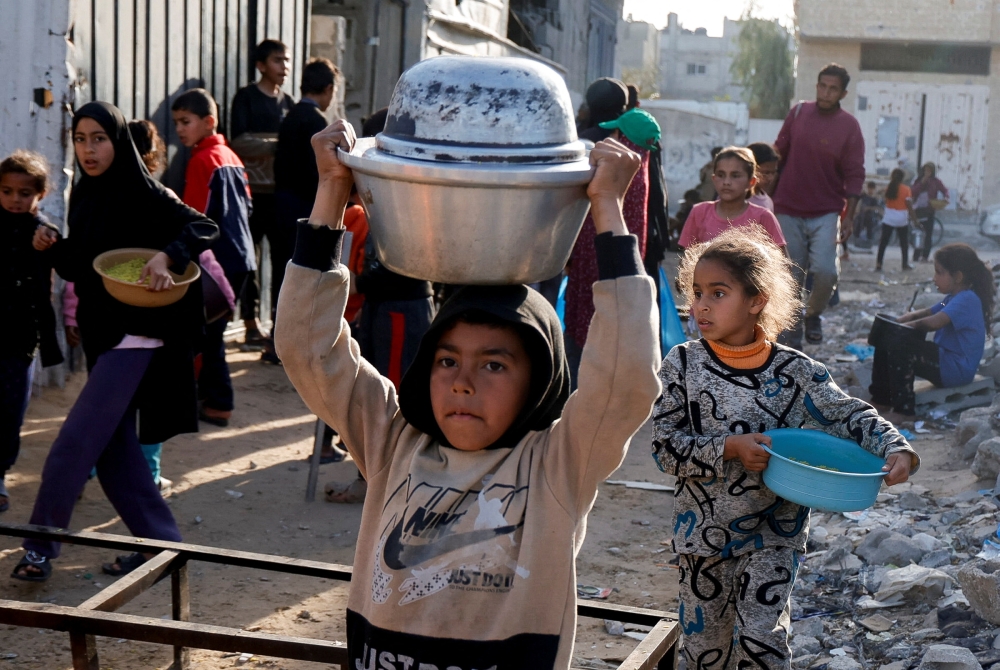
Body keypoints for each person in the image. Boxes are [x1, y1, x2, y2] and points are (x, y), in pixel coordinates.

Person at [275, 118, 660, 670]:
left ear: (539, 382)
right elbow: (305, 346)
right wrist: (332, 192)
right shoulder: (391, 444)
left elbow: (627, 378)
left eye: (495, 364)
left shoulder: (555, 465)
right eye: (448, 360)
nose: (462, 382)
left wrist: (608, 209)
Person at [652, 225, 918, 670]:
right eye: (696, 291)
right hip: (701, 538)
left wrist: (897, 448)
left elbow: (849, 415)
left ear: (757, 301)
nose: (700, 305)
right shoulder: (683, 364)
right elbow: (665, 448)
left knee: (763, 642)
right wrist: (729, 448)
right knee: (703, 649)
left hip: (775, 532)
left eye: (718, 293)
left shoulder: (797, 373)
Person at [11, 102, 218, 582]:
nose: (88, 149)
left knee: (72, 445)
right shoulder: (86, 195)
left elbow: (205, 227)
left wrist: (168, 256)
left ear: (118, 141)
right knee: (114, 455)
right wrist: (54, 246)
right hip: (106, 335)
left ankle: (40, 548)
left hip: (139, 337)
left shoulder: (144, 192)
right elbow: (82, 268)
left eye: (98, 138)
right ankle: (164, 547)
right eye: (80, 139)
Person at [322, 108, 436, 503]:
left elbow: (410, 266)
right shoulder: (386, 194)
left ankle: (383, 481)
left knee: (393, 397)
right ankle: (376, 475)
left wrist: (359, 281)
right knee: (375, 392)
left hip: (401, 310)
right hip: (384, 308)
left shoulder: (409, 193)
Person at [172, 88, 255, 427]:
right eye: (177, 122)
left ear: (208, 122)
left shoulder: (203, 160)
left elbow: (195, 218)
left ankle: (218, 403)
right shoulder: (231, 156)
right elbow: (248, 205)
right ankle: (211, 399)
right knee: (210, 333)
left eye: (185, 122)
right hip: (241, 257)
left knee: (206, 335)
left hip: (217, 262)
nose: (179, 129)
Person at [773, 64, 866, 346]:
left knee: (826, 271)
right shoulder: (798, 113)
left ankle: (813, 313)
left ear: (843, 93)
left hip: (826, 210)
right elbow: (778, 153)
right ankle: (792, 339)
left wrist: (849, 215)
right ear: (816, 86)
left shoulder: (849, 126)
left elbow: (855, 173)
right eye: (822, 86)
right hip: (788, 206)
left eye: (833, 88)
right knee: (792, 274)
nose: (826, 92)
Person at [564, 77, 648, 388]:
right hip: (618, 248)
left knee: (579, 326)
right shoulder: (629, 153)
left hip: (580, 251)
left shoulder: (578, 146)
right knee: (611, 323)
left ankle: (575, 391)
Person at [0, 150, 64, 513]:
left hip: (20, 339)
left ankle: (0, 472)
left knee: (10, 410)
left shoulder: (42, 233)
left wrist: (49, 240)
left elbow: (61, 254)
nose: (14, 199)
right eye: (6, 191)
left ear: (40, 194)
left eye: (24, 193)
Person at [871, 243, 993, 417]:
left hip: (956, 370)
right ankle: (880, 400)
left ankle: (904, 412)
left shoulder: (966, 299)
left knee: (900, 346)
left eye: (939, 272)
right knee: (887, 339)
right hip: (945, 361)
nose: (934, 277)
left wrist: (901, 328)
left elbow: (934, 322)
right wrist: (900, 320)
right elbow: (928, 311)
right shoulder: (951, 298)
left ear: (957, 276)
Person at [272, 57, 340, 362]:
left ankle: (275, 342)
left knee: (281, 274)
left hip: (280, 204)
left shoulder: (290, 116)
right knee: (303, 277)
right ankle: (296, 348)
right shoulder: (318, 124)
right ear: (328, 89)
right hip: (304, 210)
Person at [230, 39, 294, 358]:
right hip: (251, 194)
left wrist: (273, 144)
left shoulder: (289, 103)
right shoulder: (246, 98)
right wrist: (279, 145)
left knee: (283, 263)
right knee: (249, 261)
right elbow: (239, 143)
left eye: (287, 60)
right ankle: (250, 322)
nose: (285, 67)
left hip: (279, 196)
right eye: (277, 61)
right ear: (261, 65)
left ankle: (278, 327)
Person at [678, 146, 786, 250]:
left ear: (751, 182)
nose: (726, 182)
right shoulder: (699, 212)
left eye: (735, 176)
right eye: (721, 175)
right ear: (714, 179)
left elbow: (782, 263)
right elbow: (687, 260)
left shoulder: (763, 217)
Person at [874, 168, 917, 272]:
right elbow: (909, 206)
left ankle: (879, 264)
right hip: (901, 218)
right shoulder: (906, 189)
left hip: (889, 217)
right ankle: (904, 264)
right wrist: (915, 219)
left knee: (883, 242)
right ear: (903, 178)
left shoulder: (889, 187)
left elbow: (882, 197)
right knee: (904, 243)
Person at [911, 162, 950, 262]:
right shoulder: (919, 180)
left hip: (929, 210)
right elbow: (913, 191)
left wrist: (946, 197)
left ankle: (925, 256)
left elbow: (944, 190)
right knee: (919, 233)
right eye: (925, 170)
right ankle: (916, 255)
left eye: (929, 170)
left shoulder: (936, 181)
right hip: (918, 210)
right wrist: (923, 181)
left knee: (928, 234)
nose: (927, 172)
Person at [746, 142, 780, 211]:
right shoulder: (733, 199)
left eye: (773, 173)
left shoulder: (767, 201)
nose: (770, 178)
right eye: (766, 173)